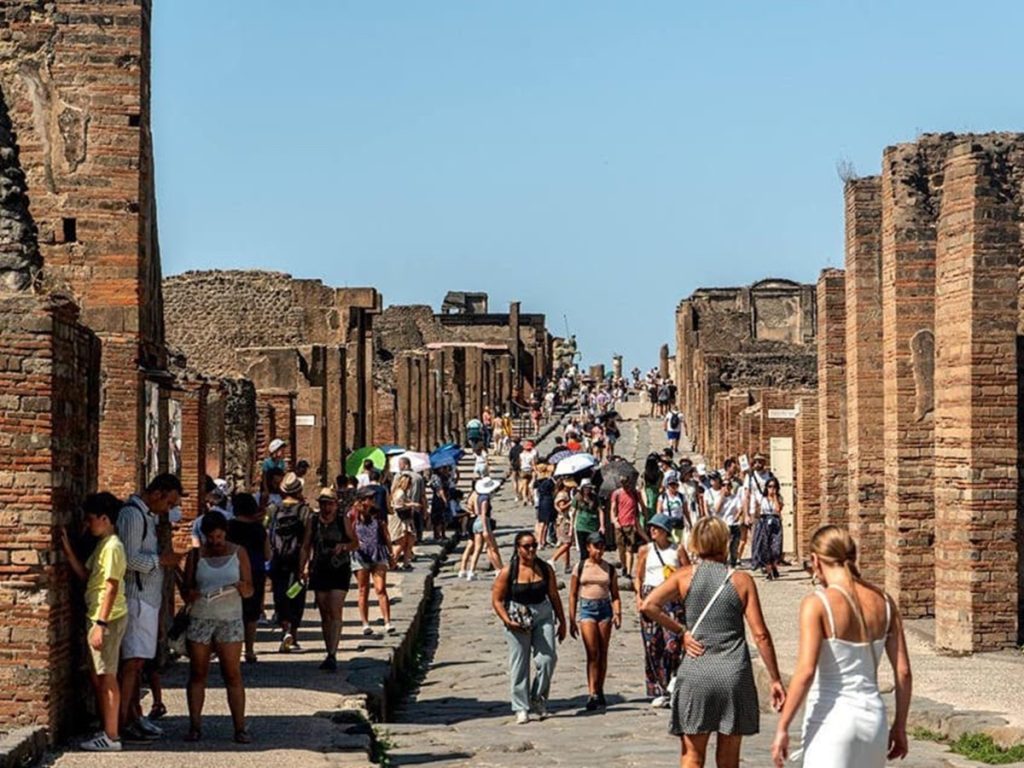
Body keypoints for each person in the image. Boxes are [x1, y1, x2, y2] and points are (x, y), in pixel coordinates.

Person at [642, 517, 786, 768]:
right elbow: (760, 635)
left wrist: (682, 631)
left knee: (692, 756)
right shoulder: (741, 581)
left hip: (696, 671)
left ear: (695, 544)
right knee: (729, 759)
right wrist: (774, 678)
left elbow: (649, 605)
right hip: (733, 673)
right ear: (725, 541)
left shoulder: (685, 576)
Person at [772, 526, 912, 768]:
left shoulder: (818, 604)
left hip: (832, 717)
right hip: (873, 720)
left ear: (815, 560)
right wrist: (899, 725)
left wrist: (783, 726)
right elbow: (903, 672)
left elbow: (805, 672)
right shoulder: (885, 602)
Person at [60, 493, 129, 752]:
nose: (88, 525)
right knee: (100, 675)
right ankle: (108, 730)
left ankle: (111, 735)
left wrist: (101, 623)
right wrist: (68, 552)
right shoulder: (103, 544)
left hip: (107, 617)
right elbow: (88, 577)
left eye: (91, 520)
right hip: (99, 615)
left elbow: (110, 587)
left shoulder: (112, 546)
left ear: (105, 519)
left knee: (107, 676)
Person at [118, 473, 183, 743]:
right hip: (136, 596)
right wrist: (160, 560)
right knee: (132, 662)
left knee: (139, 661)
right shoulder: (132, 516)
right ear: (157, 493)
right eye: (168, 503)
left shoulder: (146, 517)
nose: (168, 510)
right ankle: (121, 722)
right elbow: (129, 558)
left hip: (148, 598)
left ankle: (134, 715)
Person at [182, 511, 253, 743]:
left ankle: (240, 728)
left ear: (225, 533)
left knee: (232, 674)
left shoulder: (238, 552)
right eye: (211, 538)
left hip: (230, 618)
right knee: (197, 673)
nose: (215, 542)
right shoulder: (196, 555)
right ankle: (194, 726)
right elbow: (186, 589)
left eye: (219, 537)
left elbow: (250, 588)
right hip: (201, 616)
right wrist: (192, 594)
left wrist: (242, 587)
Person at [491, 531, 567, 724]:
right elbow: (497, 600)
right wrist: (507, 620)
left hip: (542, 613)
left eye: (533, 545)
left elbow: (553, 595)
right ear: (518, 548)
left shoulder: (544, 568)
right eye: (527, 546)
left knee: (548, 658)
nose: (531, 549)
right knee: (519, 663)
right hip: (517, 616)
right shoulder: (509, 571)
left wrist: (563, 620)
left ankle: (538, 697)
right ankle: (520, 706)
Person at [633, 514, 690, 709]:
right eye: (651, 527)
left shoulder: (678, 550)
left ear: (666, 531)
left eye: (656, 528)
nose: (652, 531)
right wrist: (639, 598)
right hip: (650, 596)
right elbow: (638, 576)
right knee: (652, 644)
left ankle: (672, 682)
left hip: (671, 599)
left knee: (673, 644)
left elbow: (687, 572)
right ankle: (657, 687)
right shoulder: (645, 550)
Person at [300, 487, 358, 671]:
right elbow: (306, 545)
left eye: (330, 503)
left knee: (335, 609)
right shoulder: (314, 521)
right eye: (324, 503)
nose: (327, 507)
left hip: (339, 568)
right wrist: (303, 567)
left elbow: (355, 542)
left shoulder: (343, 520)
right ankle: (329, 651)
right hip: (319, 568)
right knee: (324, 612)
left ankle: (333, 653)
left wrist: (344, 546)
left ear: (336, 505)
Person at [568, 532, 621, 711]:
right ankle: (592, 692)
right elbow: (573, 593)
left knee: (603, 652)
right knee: (592, 652)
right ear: (588, 547)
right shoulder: (580, 567)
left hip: (604, 609)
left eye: (601, 547)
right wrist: (571, 618)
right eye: (596, 546)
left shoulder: (609, 568)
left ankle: (600, 689)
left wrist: (618, 612)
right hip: (587, 609)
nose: (599, 550)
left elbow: (615, 595)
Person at [268, 472, 309, 652]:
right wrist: (304, 565)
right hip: (296, 560)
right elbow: (307, 542)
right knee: (296, 596)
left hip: (277, 559)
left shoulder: (273, 510)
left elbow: (266, 533)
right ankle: (294, 634)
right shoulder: (305, 511)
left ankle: (285, 630)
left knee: (280, 595)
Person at [227, 493, 270, 664]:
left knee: (232, 613)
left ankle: (232, 649)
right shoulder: (259, 529)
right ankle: (249, 650)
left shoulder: (228, 527)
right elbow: (267, 555)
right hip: (255, 573)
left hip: (232, 572)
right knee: (251, 614)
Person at [351, 486, 396, 635]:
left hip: (378, 553)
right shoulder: (353, 515)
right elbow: (349, 532)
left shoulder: (377, 514)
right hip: (360, 555)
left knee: (380, 589)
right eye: (369, 498)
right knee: (363, 589)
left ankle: (387, 622)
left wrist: (391, 554)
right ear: (361, 500)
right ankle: (365, 623)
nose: (372, 501)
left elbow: (385, 534)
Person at [458, 477, 504, 580]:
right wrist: (486, 528)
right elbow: (483, 514)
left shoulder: (477, 496)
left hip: (476, 521)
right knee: (492, 548)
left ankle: (471, 571)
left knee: (477, 548)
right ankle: (499, 569)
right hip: (482, 522)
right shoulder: (485, 498)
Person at [610, 475, 646, 578]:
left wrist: (644, 515)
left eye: (627, 483)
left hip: (631, 524)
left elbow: (642, 505)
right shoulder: (616, 494)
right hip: (620, 525)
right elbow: (613, 509)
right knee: (621, 549)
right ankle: (624, 566)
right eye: (623, 483)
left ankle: (629, 572)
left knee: (630, 549)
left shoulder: (635, 493)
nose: (626, 486)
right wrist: (614, 521)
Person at [742, 453, 773, 568]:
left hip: (768, 510)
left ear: (764, 463)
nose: (758, 464)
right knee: (756, 536)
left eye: (760, 461)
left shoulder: (769, 475)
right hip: (754, 511)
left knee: (768, 537)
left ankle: (766, 562)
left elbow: (774, 492)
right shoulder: (750, 477)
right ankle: (756, 560)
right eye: (756, 461)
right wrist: (745, 514)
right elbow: (746, 496)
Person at [755, 477, 785, 580]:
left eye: (774, 486)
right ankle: (769, 571)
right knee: (765, 547)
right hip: (764, 522)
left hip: (775, 521)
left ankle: (774, 566)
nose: (772, 489)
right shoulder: (761, 498)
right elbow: (757, 512)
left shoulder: (779, 498)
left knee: (776, 548)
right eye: (770, 486)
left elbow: (778, 509)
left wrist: (775, 497)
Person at [388, 474, 417, 569]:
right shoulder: (400, 493)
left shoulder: (400, 492)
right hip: (401, 520)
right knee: (400, 543)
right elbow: (398, 507)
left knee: (409, 541)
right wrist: (411, 504)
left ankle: (405, 562)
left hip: (405, 520)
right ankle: (393, 563)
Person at [569, 479, 602, 562]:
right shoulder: (577, 497)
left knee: (593, 547)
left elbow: (600, 511)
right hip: (581, 526)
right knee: (583, 549)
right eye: (585, 488)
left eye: (588, 488)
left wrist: (602, 525)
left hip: (593, 525)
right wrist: (571, 528)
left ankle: (593, 562)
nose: (587, 490)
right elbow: (573, 513)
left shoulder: (595, 497)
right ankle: (584, 564)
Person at [550, 479, 575, 574]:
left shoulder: (565, 494)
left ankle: (567, 565)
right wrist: (571, 502)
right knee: (567, 543)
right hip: (563, 520)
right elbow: (561, 507)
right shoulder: (563, 495)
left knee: (566, 543)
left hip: (563, 520)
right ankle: (553, 559)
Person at [533, 463, 557, 549]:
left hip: (542, 501)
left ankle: (542, 540)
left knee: (544, 523)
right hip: (547, 502)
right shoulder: (548, 481)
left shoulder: (539, 481)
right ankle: (540, 541)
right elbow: (553, 491)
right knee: (543, 523)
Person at [518, 440, 537, 505]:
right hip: (530, 470)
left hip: (523, 470)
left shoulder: (521, 455)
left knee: (524, 485)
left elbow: (520, 463)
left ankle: (524, 498)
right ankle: (530, 499)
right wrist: (536, 471)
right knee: (530, 485)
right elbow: (533, 464)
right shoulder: (531, 455)